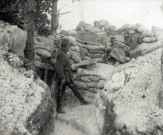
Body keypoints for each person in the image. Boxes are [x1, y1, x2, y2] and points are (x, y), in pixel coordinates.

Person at [54, 38, 89, 113]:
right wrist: (62, 78)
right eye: (68, 45)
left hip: (66, 75)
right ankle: (58, 108)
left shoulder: (63, 53)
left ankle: (82, 101)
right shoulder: (61, 54)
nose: (69, 47)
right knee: (64, 90)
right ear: (65, 46)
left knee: (64, 90)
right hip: (63, 76)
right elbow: (58, 67)